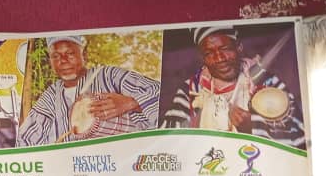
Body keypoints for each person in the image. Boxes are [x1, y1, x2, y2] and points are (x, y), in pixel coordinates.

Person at [161, 27, 306, 149]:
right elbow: (166, 142)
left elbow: (300, 139)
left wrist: (253, 127)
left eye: (225, 49)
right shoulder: (191, 90)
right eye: (209, 53)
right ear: (203, 58)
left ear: (239, 47)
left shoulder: (266, 83)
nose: (219, 58)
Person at [19, 35, 159, 146]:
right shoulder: (52, 94)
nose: (63, 60)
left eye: (70, 53)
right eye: (56, 56)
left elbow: (160, 93)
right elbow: (25, 139)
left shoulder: (109, 76)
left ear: (84, 55)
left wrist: (131, 103)